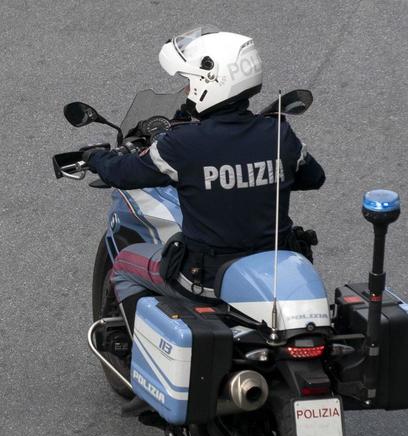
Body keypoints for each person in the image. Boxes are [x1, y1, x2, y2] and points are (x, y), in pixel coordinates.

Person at [85, 28, 325, 315]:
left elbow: (125, 173)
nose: (187, 90)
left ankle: (129, 354)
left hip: (204, 279)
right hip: (273, 272)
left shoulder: (183, 144)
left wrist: (95, 157)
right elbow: (314, 178)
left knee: (124, 264)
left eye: (189, 82)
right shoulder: (278, 135)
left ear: (208, 82)